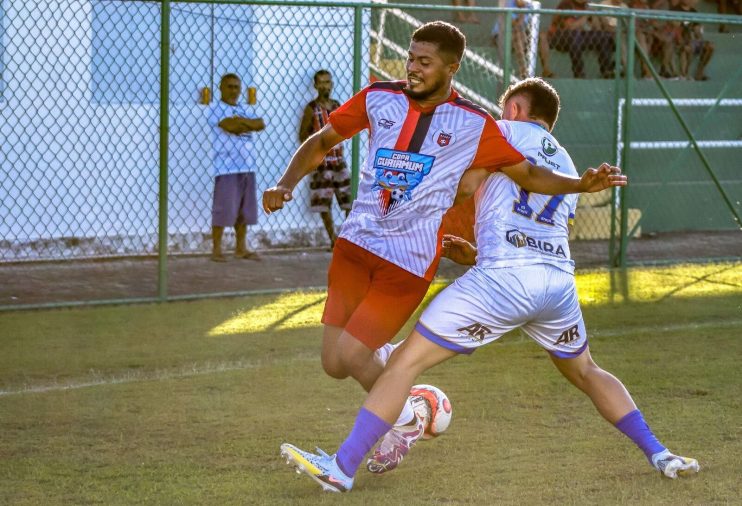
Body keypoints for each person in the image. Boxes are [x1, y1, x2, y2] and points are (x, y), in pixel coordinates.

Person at [279, 78, 697, 493]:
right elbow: (534, 230)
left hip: (501, 281)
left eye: (504, 107)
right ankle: (661, 453)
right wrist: (475, 252)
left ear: (515, 109)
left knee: (404, 364)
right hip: (556, 285)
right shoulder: (568, 164)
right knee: (587, 370)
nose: (499, 114)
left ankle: (344, 467)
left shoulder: (500, 132)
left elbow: (464, 186)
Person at [264, 21, 625, 481]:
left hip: (408, 263)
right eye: (411, 58)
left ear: (452, 68)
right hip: (355, 247)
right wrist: (285, 183)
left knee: (356, 354)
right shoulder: (378, 97)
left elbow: (530, 177)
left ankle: (398, 423)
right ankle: (412, 409)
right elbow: (322, 141)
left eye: (424, 62)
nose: (413, 68)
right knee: (334, 364)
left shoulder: (475, 124)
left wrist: (580, 183)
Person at [208, 73, 266, 262]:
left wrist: (240, 122)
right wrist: (245, 124)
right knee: (224, 208)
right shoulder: (216, 108)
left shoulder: (242, 108)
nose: (233, 91)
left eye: (236, 87)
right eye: (229, 87)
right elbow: (231, 127)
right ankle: (216, 249)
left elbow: (260, 123)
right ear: (221, 88)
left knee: (244, 210)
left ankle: (241, 248)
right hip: (226, 168)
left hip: (247, 167)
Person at [299, 70, 352, 248]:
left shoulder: (337, 105)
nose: (324, 86)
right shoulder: (312, 109)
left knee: (348, 199)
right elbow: (303, 134)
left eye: (327, 82)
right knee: (324, 202)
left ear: (332, 84)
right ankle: (333, 240)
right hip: (322, 162)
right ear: (315, 86)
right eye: (321, 83)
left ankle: (347, 238)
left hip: (338, 160)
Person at [538, 0, 616, 79]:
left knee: (602, 36)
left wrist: (594, 15)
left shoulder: (587, 6)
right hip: (560, 38)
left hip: (580, 38)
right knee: (575, 34)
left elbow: (597, 29)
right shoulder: (566, 4)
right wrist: (586, 15)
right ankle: (579, 73)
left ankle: (607, 70)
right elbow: (570, 27)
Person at [671, 0, 714, 80]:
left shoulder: (694, 12)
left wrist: (699, 36)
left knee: (710, 46)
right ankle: (684, 74)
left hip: (691, 41)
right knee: (688, 47)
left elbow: (697, 31)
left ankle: (700, 71)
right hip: (679, 40)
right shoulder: (675, 10)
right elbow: (675, 27)